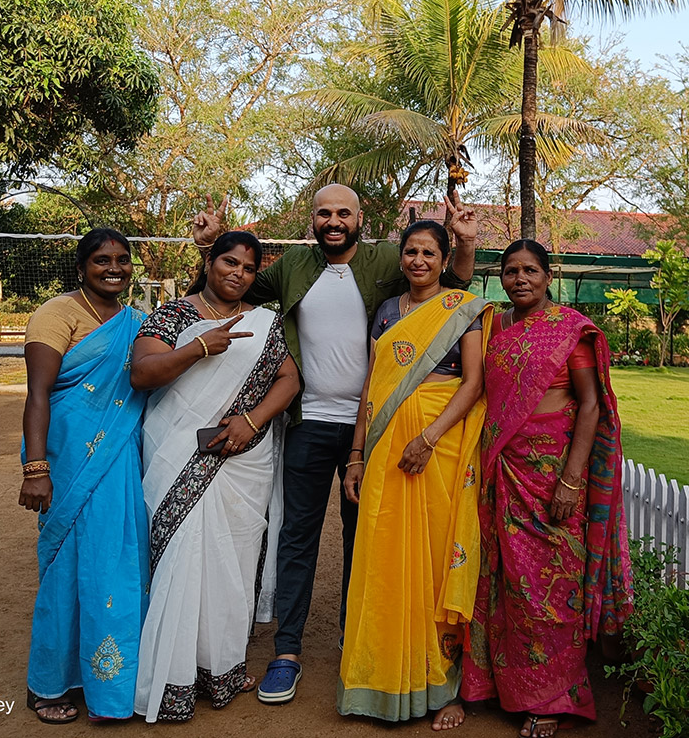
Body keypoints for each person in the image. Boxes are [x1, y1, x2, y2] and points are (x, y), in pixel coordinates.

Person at [189, 184, 477, 705]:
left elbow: (449, 293)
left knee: (364, 538)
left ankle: (355, 639)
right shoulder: (292, 266)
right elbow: (228, 291)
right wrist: (209, 249)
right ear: (312, 220)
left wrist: (463, 244)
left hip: (375, 429)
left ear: (361, 217)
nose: (334, 220)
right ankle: (288, 652)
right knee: (296, 536)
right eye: (324, 213)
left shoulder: (387, 258)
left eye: (344, 212)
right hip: (308, 422)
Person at [461, 239, 633, 738]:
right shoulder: (494, 327)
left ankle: (554, 695)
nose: (520, 279)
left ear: (547, 275)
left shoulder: (569, 331)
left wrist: (572, 478)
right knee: (505, 581)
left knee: (551, 587)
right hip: (503, 470)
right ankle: (502, 684)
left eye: (530, 270)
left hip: (551, 473)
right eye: (511, 271)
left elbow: (591, 406)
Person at [129, 231, 301, 723]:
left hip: (243, 459)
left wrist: (252, 420)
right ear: (209, 261)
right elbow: (142, 374)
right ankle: (174, 675)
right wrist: (199, 348)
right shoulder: (173, 315)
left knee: (234, 564)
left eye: (248, 269)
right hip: (179, 454)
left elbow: (289, 379)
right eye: (229, 262)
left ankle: (221, 668)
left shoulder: (264, 323)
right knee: (182, 558)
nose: (237, 274)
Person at [338, 220, 492, 729]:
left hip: (438, 445)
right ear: (400, 257)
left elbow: (472, 384)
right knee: (384, 557)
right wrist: (356, 456)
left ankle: (443, 683)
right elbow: (370, 388)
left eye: (429, 252)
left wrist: (428, 438)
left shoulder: (463, 308)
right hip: (384, 448)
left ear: (445, 259)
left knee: (433, 557)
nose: (418, 260)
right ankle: (379, 677)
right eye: (411, 251)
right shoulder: (385, 312)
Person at [19, 228, 149, 724]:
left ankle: (111, 682)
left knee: (118, 565)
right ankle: (48, 685)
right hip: (70, 460)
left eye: (121, 259)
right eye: (101, 260)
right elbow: (38, 396)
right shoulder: (57, 314)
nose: (113, 268)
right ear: (81, 267)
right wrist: (36, 469)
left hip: (119, 461)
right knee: (66, 571)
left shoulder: (134, 322)